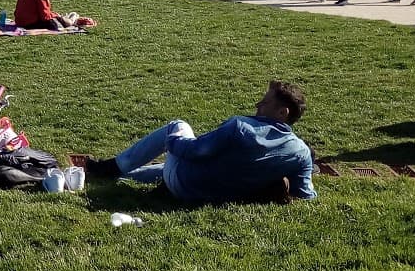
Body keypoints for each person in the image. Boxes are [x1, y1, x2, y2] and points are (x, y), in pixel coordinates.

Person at [83, 81, 316, 203]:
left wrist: (171, 141)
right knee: (172, 167)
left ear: (283, 112)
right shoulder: (301, 153)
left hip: (186, 184)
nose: (257, 106)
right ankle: (122, 176)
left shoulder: (241, 126)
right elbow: (305, 194)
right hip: (218, 195)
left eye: (264, 103)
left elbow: (193, 151)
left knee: (178, 125)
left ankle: (111, 168)